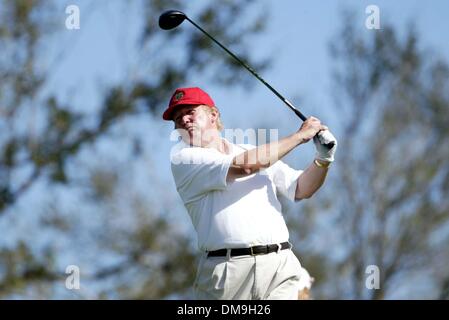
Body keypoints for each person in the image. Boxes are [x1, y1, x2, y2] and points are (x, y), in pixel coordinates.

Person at [164, 87, 337, 300]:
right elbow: (246, 166)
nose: (184, 120)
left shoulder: (249, 150)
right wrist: (300, 136)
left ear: (213, 115)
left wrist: (323, 159)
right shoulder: (184, 158)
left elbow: (301, 188)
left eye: (190, 112)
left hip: (279, 266)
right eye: (178, 118)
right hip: (229, 275)